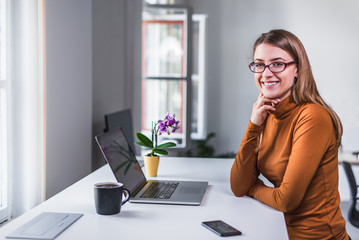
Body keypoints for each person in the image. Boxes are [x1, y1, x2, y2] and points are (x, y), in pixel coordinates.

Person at [230, 29, 350, 240]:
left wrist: (253, 188)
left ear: (297, 69)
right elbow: (238, 186)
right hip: (279, 231)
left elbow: (286, 200)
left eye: (278, 64)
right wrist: (254, 125)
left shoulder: (312, 117)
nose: (266, 73)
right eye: (259, 64)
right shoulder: (268, 113)